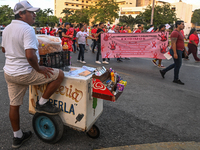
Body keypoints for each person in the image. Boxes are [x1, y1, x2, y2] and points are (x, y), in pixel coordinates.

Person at [1, 1, 64, 149]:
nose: (34, 15)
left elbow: (4, 49)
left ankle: (17, 137)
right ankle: (42, 103)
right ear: (22, 14)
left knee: (14, 105)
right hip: (25, 72)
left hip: (9, 72)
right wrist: (39, 68)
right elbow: (30, 56)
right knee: (59, 74)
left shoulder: (7, 29)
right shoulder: (27, 29)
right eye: (31, 12)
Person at [160, 21, 187, 85]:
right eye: (182, 24)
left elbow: (182, 42)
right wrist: (175, 53)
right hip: (176, 50)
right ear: (178, 25)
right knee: (178, 64)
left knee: (177, 64)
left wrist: (185, 49)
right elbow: (173, 43)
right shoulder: (175, 32)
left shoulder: (179, 32)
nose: (183, 25)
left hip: (179, 50)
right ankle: (175, 79)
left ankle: (164, 71)